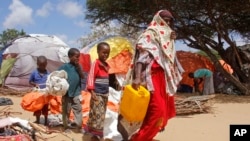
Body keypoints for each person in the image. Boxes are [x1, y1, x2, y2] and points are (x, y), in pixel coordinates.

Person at [117, 10, 184, 141]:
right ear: (158, 19)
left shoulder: (168, 37)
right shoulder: (150, 34)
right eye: (165, 19)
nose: (167, 23)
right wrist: (137, 77)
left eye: (170, 20)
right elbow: (141, 58)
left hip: (163, 79)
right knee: (156, 111)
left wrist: (170, 40)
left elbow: (169, 60)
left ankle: (144, 137)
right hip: (151, 79)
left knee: (161, 113)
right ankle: (138, 138)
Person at [84, 42, 110, 141]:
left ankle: (93, 130)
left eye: (107, 53)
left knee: (100, 113)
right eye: (103, 52)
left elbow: (106, 79)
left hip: (105, 94)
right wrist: (92, 92)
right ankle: (96, 134)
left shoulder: (107, 65)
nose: (105, 55)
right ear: (98, 52)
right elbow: (90, 77)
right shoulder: (96, 64)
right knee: (97, 114)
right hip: (97, 94)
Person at [58, 48, 84, 132]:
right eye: (76, 57)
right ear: (70, 56)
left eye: (78, 57)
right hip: (67, 93)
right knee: (66, 111)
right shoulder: (64, 67)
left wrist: (79, 68)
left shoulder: (78, 66)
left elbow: (82, 77)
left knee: (78, 109)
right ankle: (66, 127)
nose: (78, 59)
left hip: (76, 92)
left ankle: (78, 125)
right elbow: (56, 76)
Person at [29, 55, 50, 125]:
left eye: (44, 65)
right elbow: (30, 81)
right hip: (37, 94)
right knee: (37, 107)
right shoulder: (34, 73)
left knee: (45, 107)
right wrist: (35, 84)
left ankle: (46, 121)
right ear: (37, 64)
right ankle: (37, 120)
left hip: (45, 94)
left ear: (46, 64)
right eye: (41, 65)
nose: (42, 67)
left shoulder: (48, 74)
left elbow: (50, 81)